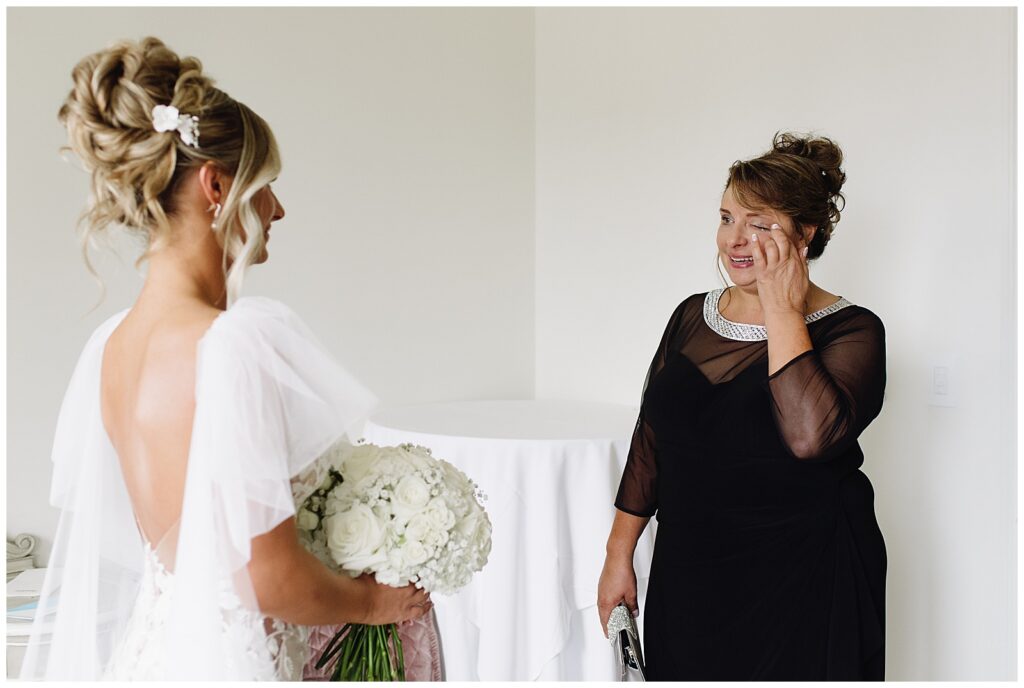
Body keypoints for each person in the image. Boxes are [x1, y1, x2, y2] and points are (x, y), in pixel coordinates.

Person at [20, 37, 433, 680]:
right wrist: (374, 603)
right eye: (267, 187)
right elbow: (264, 575)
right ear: (217, 185)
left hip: (159, 653)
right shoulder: (233, 345)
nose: (277, 209)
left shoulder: (111, 346)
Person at [597, 132, 887, 680]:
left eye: (759, 223)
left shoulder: (855, 330)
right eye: (727, 217)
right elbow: (651, 438)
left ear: (805, 235)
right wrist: (619, 556)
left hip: (804, 579)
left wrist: (782, 306)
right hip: (692, 571)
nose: (736, 239)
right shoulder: (690, 317)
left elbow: (809, 437)